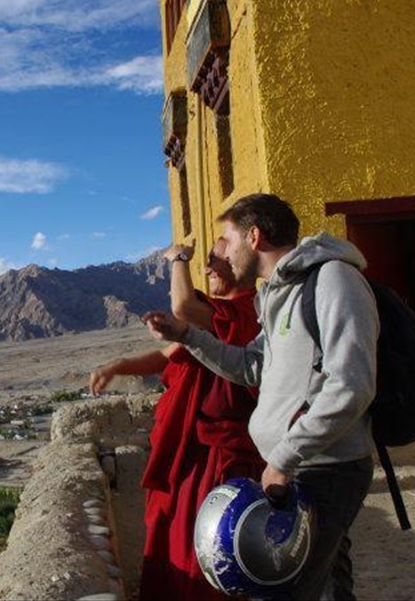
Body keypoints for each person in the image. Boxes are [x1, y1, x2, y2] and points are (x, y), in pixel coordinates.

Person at [143, 193, 378, 600]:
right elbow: (251, 366)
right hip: (296, 466)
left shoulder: (333, 280)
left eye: (227, 241)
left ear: (253, 237)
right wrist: (186, 336)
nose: (222, 255)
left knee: (285, 589)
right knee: (325, 586)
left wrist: (284, 459)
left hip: (325, 466)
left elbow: (352, 384)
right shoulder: (276, 293)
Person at [90, 240, 263, 601]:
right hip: (190, 452)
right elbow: (167, 356)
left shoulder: (242, 314)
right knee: (175, 533)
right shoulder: (214, 316)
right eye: (206, 261)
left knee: (212, 541)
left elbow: (182, 306)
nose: (208, 267)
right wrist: (118, 366)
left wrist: (178, 258)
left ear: (239, 263)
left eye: (216, 259)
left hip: (221, 454)